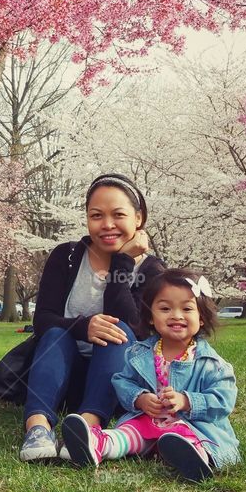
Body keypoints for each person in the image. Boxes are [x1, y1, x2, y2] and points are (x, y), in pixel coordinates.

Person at [19, 173, 165, 462]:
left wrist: (122, 262)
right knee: (55, 332)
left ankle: (88, 428)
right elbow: (43, 320)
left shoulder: (152, 271)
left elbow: (136, 328)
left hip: (115, 377)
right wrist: (82, 326)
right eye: (97, 216)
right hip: (62, 372)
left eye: (118, 215)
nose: (107, 225)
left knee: (118, 330)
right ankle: (37, 428)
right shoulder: (66, 256)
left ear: (138, 218)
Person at [61, 268, 239, 482]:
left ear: (201, 318)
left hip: (191, 427)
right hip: (148, 422)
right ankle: (97, 444)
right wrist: (140, 398)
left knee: (187, 438)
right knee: (128, 433)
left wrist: (187, 402)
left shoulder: (212, 364)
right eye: (165, 308)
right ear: (151, 317)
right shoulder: (139, 354)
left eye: (187, 308)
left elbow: (223, 401)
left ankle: (196, 457)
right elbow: (122, 381)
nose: (176, 315)